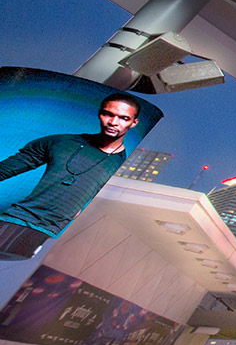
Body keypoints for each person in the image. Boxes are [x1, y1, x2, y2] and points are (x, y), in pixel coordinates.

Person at [0, 94, 140, 260]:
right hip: (19, 219)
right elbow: (8, 168)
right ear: (100, 114)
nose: (113, 122)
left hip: (56, 238)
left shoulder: (124, 169)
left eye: (124, 118)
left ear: (133, 123)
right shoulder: (61, 142)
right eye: (108, 114)